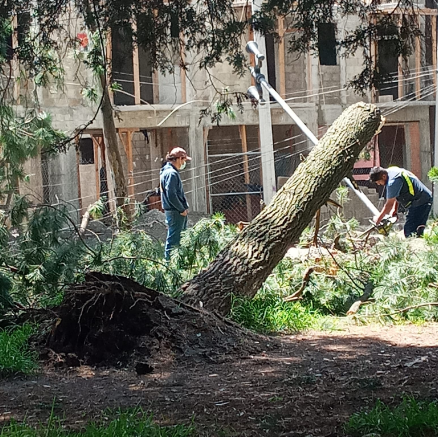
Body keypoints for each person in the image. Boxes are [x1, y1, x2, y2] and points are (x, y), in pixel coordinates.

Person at [369, 166, 432, 237]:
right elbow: (397, 194)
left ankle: (415, 245)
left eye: (379, 181)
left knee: (410, 230)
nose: (378, 184)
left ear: (383, 176)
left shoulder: (392, 182)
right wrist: (394, 210)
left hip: (421, 201)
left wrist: (378, 220)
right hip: (421, 199)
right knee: (416, 229)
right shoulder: (392, 171)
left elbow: (389, 205)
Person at [160, 147, 191, 259]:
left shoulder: (166, 171)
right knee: (174, 241)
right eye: (183, 160)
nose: (183, 163)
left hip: (174, 211)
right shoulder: (171, 174)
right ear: (178, 159)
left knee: (178, 239)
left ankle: (178, 263)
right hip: (175, 212)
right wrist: (181, 209)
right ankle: (170, 265)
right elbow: (171, 195)